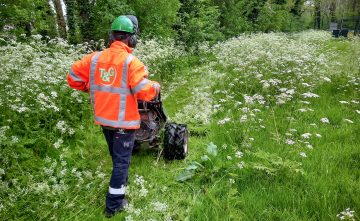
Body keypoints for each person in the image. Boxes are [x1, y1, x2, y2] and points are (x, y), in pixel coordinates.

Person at [66, 15, 160, 218]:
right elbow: (143, 92)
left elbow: (72, 77)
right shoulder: (131, 62)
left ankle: (120, 183)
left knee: (116, 156)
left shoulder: (94, 58)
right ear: (131, 39)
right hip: (123, 123)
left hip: (103, 120)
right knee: (121, 163)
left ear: (112, 36)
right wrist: (155, 87)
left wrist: (90, 87)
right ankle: (114, 205)